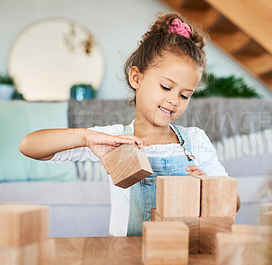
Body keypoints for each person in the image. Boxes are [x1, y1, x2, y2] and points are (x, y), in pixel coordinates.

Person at [19, 13, 241, 236]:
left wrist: (210, 188)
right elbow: (29, 146)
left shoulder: (195, 140)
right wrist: (85, 137)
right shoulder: (113, 140)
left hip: (181, 252)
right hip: (128, 254)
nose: (174, 100)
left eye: (185, 95)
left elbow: (235, 204)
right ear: (136, 78)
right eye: (166, 87)